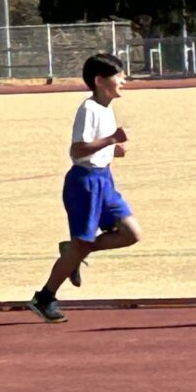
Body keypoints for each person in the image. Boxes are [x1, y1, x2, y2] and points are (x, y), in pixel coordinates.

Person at [27, 53, 142, 323]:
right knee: (84, 243)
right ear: (100, 81)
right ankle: (44, 298)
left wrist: (113, 150)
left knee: (131, 234)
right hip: (85, 183)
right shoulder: (88, 109)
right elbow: (77, 151)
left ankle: (74, 252)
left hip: (104, 180)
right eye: (119, 75)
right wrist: (112, 139)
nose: (124, 80)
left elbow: (95, 147)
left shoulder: (106, 107)